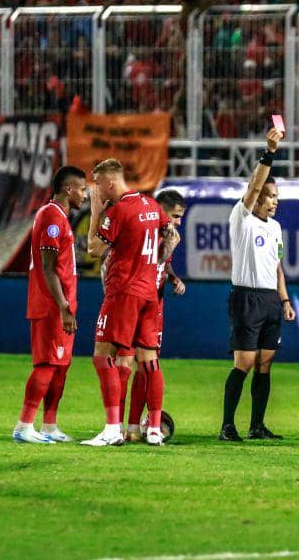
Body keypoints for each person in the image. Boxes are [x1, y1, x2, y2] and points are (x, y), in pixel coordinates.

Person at [82, 158, 170, 447]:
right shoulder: (150, 205)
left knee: (101, 355)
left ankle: (111, 429)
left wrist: (96, 212)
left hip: (123, 292)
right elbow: (171, 233)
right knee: (148, 361)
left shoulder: (119, 210)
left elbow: (94, 249)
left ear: (109, 182)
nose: (95, 191)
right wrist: (158, 264)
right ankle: (154, 429)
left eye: (96, 185)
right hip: (149, 293)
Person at [219, 127, 296, 442]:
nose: (275, 201)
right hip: (246, 298)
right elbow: (252, 186)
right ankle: (227, 426)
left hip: (270, 301)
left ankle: (257, 426)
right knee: (245, 363)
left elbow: (277, 266)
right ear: (258, 195)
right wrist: (270, 151)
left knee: (265, 364)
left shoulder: (276, 228)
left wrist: (285, 300)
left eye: (277, 196)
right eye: (270, 195)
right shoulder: (242, 218)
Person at [13, 165, 87, 444]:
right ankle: (23, 426)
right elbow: (48, 267)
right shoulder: (51, 216)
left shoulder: (61, 218)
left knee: (60, 366)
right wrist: (64, 307)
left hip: (63, 304)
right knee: (47, 364)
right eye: (82, 189)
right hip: (51, 306)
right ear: (68, 189)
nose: (85, 194)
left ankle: (49, 426)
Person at [126, 189, 188, 443]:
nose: (178, 222)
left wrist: (173, 277)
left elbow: (162, 263)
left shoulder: (168, 235)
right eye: (175, 216)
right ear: (160, 211)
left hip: (153, 304)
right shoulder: (144, 232)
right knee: (126, 364)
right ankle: (133, 427)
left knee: (145, 365)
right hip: (133, 301)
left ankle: (145, 427)